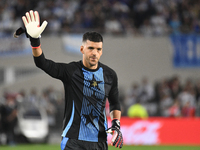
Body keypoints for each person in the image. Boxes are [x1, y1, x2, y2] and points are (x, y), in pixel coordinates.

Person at [17, 10, 123, 149]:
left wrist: (116, 124)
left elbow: (115, 103)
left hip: (100, 142)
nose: (94, 53)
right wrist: (35, 41)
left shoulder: (110, 75)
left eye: (98, 49)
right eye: (90, 48)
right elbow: (42, 63)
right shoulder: (71, 71)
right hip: (73, 141)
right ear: (82, 49)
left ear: (101, 51)